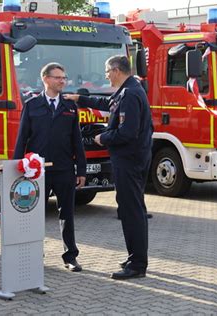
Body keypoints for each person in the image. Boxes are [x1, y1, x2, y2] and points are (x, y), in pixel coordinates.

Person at [65, 55, 153, 279]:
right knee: (132, 209)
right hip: (133, 159)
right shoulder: (128, 90)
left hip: (129, 160)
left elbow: (127, 132)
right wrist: (81, 99)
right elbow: (107, 104)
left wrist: (103, 138)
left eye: (106, 71)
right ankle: (136, 256)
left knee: (131, 211)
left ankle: (137, 265)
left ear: (116, 70)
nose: (105, 76)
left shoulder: (131, 94)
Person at [14, 62, 86, 272]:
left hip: (64, 168)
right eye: (58, 78)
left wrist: (80, 170)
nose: (62, 81)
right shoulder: (32, 105)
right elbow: (22, 139)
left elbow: (77, 141)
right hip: (38, 170)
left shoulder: (69, 107)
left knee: (67, 214)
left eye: (64, 78)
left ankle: (70, 256)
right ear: (45, 79)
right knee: (35, 214)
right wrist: (18, 167)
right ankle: (35, 254)